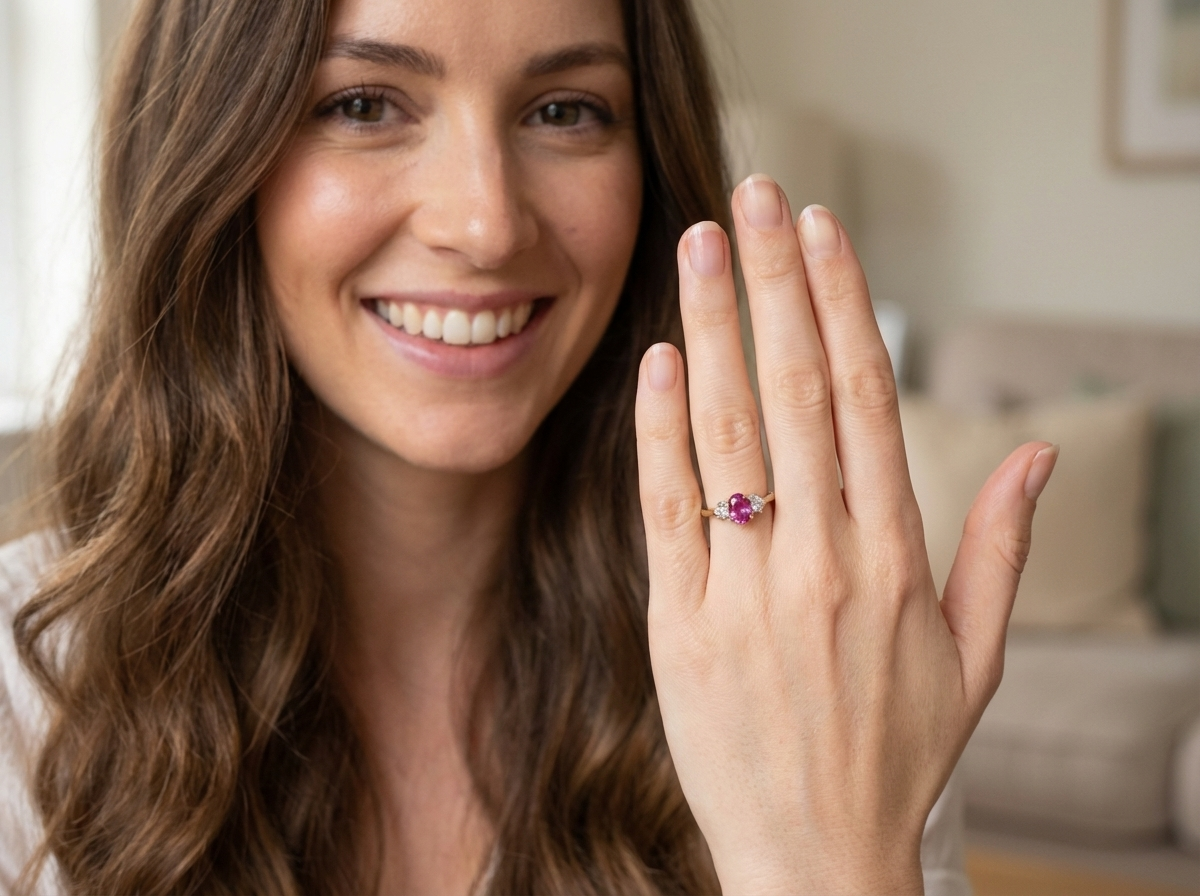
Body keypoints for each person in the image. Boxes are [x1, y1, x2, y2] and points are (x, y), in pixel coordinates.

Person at [0, 0, 1058, 892]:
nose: (488, 223)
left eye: (565, 110)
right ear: (205, 151)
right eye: (363, 104)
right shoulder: (21, 681)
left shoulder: (812, 654)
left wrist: (823, 859)